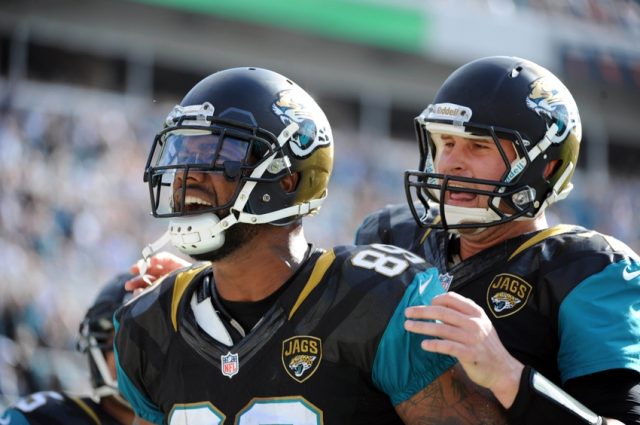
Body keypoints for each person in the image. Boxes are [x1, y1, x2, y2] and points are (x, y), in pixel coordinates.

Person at [112, 67, 511, 425]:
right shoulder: (150, 324)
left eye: (217, 153)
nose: (186, 176)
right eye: (184, 153)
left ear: (286, 180)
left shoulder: (378, 302)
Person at [355, 56, 640, 423]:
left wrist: (507, 375)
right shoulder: (390, 234)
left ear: (545, 167)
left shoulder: (587, 270)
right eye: (446, 142)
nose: (450, 164)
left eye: (477, 146)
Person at [0, 272, 142, 425]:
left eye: (155, 344)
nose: (142, 357)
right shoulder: (47, 417)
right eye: (125, 343)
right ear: (100, 351)